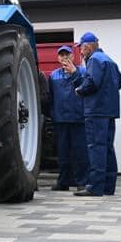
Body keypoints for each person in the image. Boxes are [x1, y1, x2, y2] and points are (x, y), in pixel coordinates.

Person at [73, 32, 121, 197]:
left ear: (87, 46)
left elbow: (91, 83)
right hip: (110, 111)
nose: (80, 53)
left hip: (95, 111)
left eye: (81, 49)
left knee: (95, 147)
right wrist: (107, 92)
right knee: (108, 148)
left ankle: (95, 187)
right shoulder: (109, 59)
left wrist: (79, 90)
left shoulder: (94, 59)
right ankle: (108, 187)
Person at [47, 45, 88, 191]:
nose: (64, 57)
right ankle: (64, 182)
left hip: (79, 119)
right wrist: (53, 114)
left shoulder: (82, 71)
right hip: (60, 120)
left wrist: (75, 73)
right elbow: (50, 97)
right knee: (63, 153)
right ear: (58, 58)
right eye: (61, 55)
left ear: (73, 56)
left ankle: (82, 182)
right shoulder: (53, 75)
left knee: (80, 152)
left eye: (67, 54)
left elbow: (87, 88)